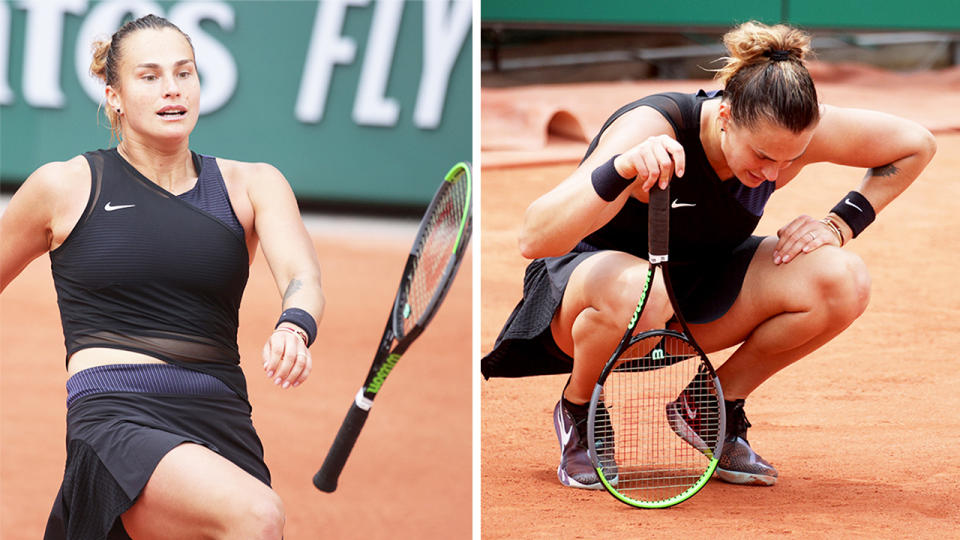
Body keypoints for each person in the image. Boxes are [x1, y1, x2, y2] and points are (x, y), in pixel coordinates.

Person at [481, 21, 936, 489]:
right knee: (643, 288)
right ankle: (579, 410)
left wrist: (839, 225)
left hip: (695, 289)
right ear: (725, 114)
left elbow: (916, 144)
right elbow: (533, 239)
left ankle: (710, 405)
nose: (772, 172)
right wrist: (621, 168)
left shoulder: (791, 133)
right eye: (761, 156)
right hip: (590, 298)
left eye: (789, 159)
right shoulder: (653, 125)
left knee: (843, 280)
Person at [0, 14, 324, 539]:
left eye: (185, 73)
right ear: (115, 96)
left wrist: (294, 324)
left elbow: (302, 275)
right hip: (114, 412)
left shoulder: (254, 184)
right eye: (149, 77)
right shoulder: (63, 186)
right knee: (257, 516)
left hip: (221, 416)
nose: (172, 90)